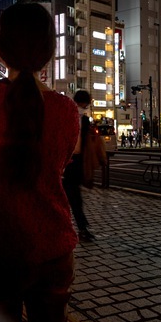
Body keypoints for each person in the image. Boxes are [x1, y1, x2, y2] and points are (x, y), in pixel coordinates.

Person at [0, 2, 79, 322]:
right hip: (53, 248)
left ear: (0, 48)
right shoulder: (67, 110)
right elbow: (58, 167)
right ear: (49, 52)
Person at [62, 90, 96, 243]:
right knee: (73, 197)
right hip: (71, 161)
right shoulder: (76, 117)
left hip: (69, 161)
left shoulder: (71, 115)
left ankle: (81, 227)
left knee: (73, 197)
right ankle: (80, 228)